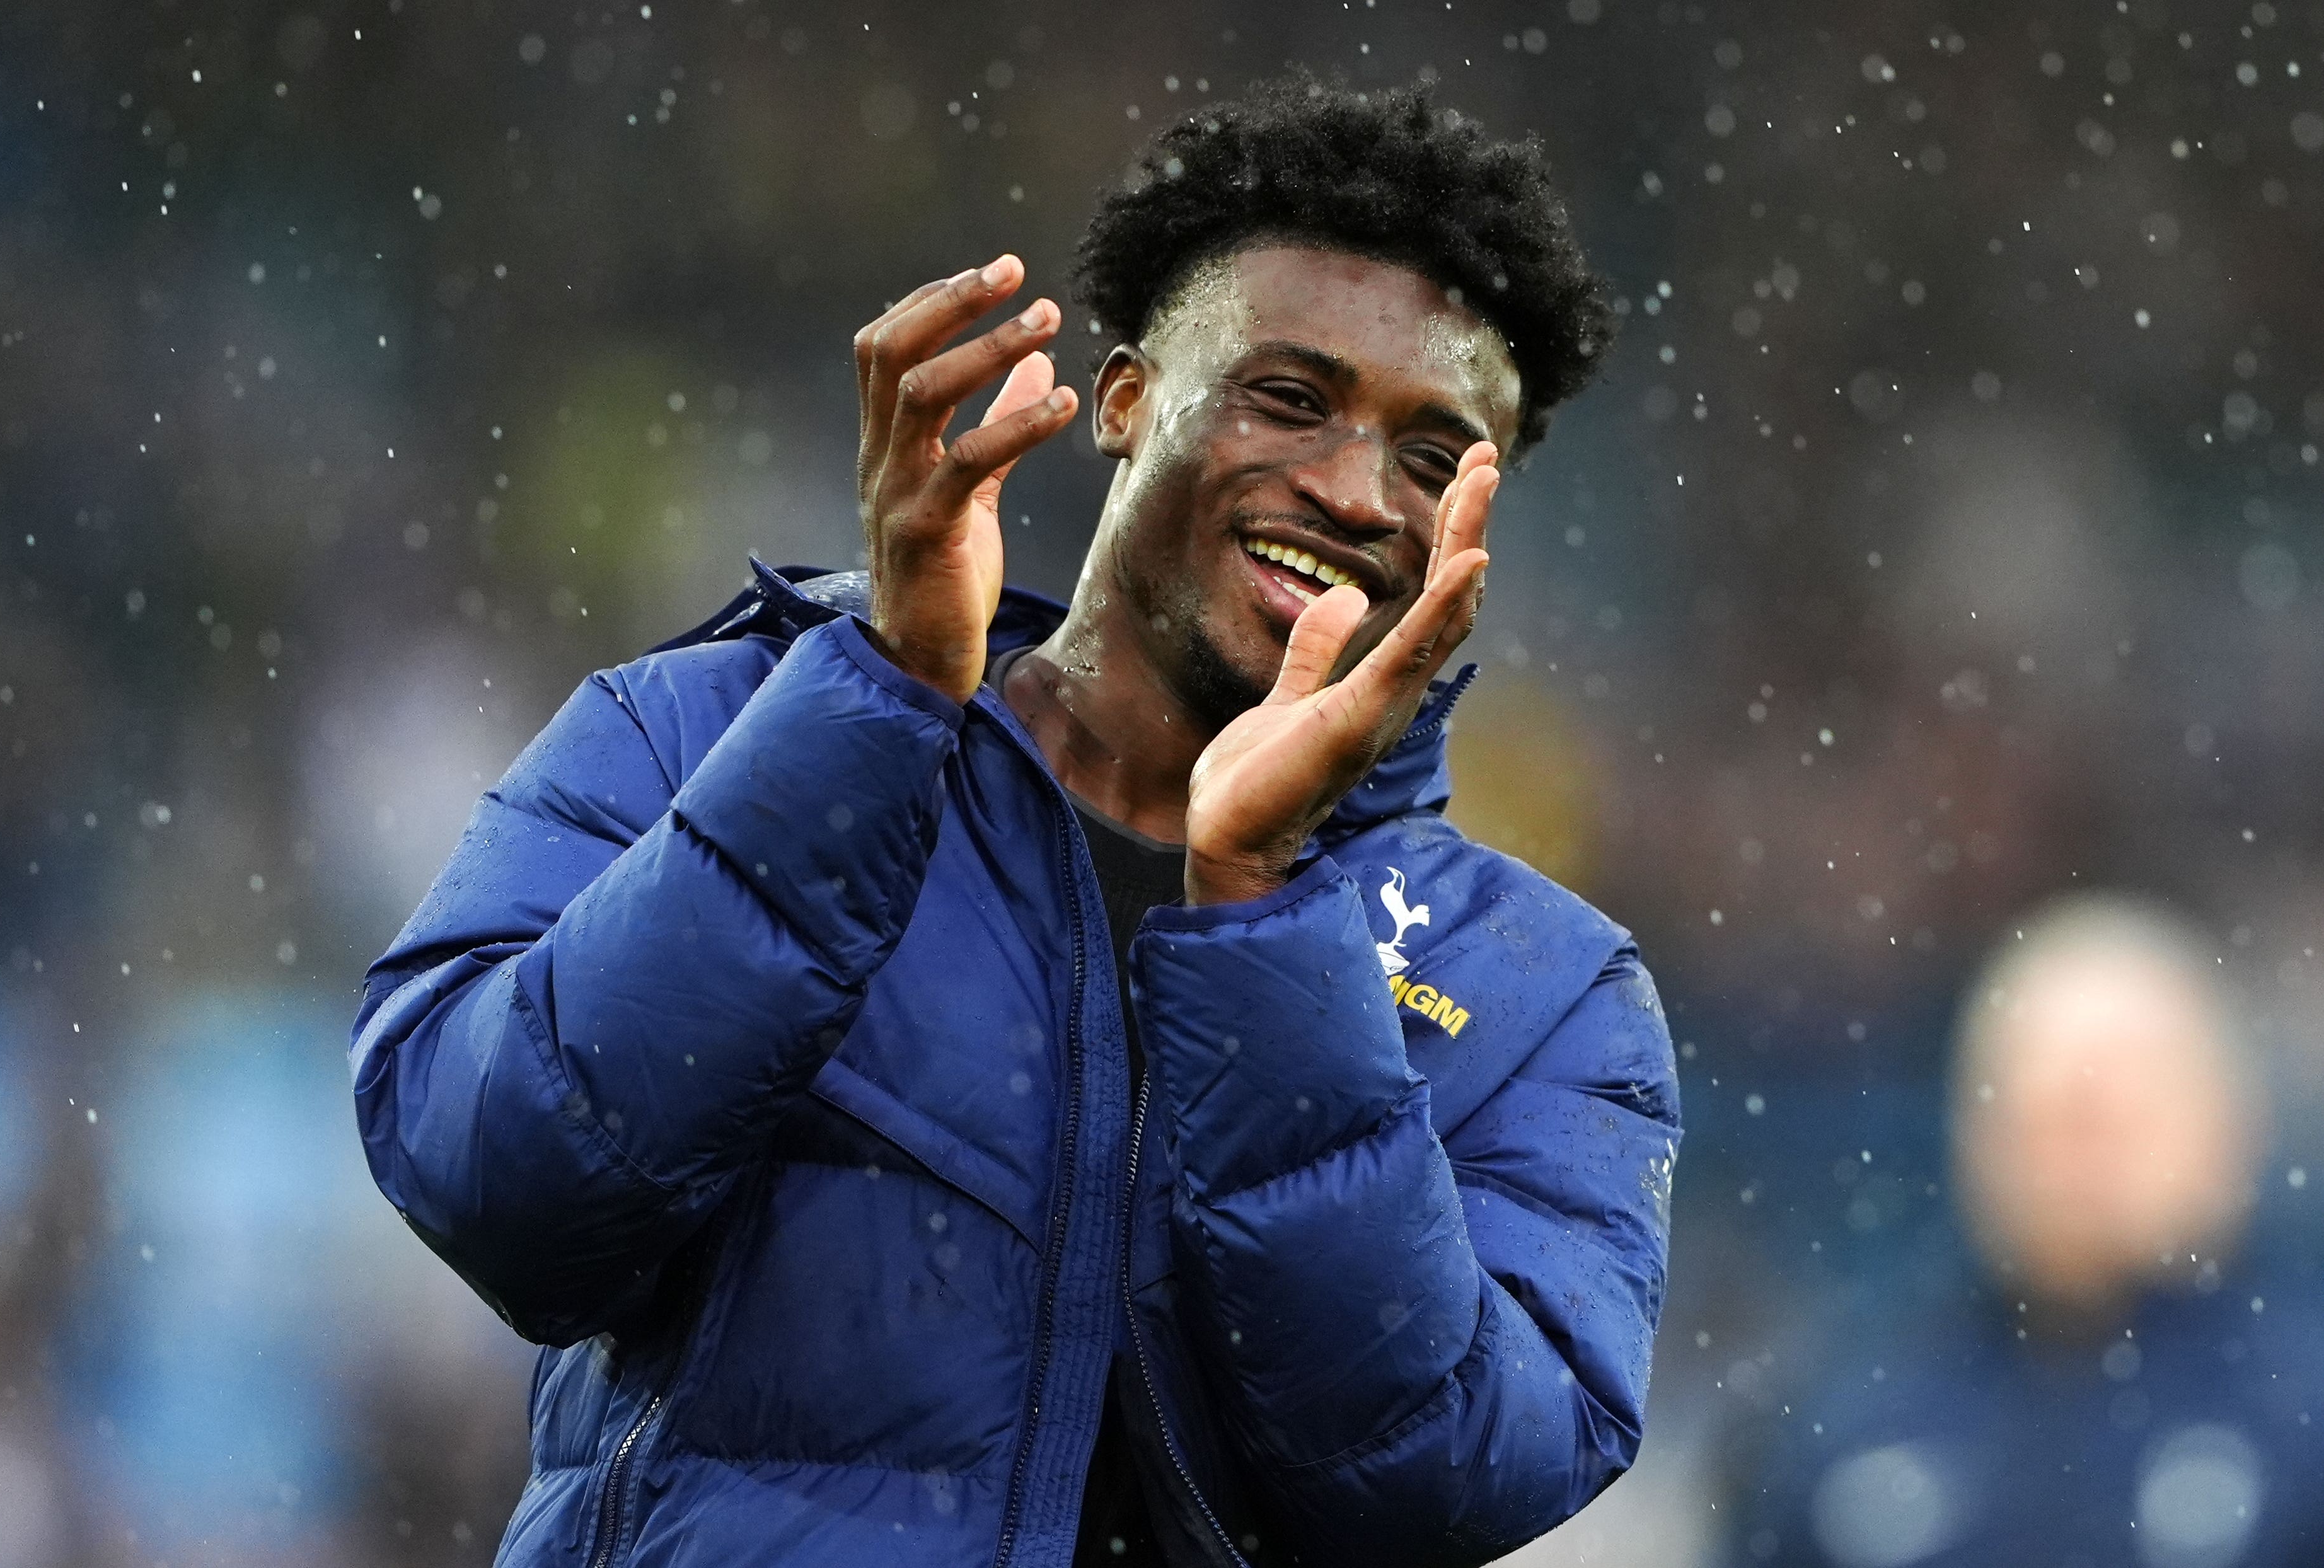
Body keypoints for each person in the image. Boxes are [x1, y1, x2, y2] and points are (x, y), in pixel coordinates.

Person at [350, 74, 1678, 1568]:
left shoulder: (1548, 992)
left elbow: (1449, 1477)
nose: (1355, 489)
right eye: (1289, 397)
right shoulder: (712, 728)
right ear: (1121, 402)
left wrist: (1258, 911)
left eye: (1434, 460)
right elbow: (496, 1182)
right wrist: (877, 707)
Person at [1726, 896, 2324, 1567]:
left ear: (2230, 1122)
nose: (2072, 1160)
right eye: (2035, 1114)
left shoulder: (2302, 1421)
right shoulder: (1844, 1430)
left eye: (2111, 1116)